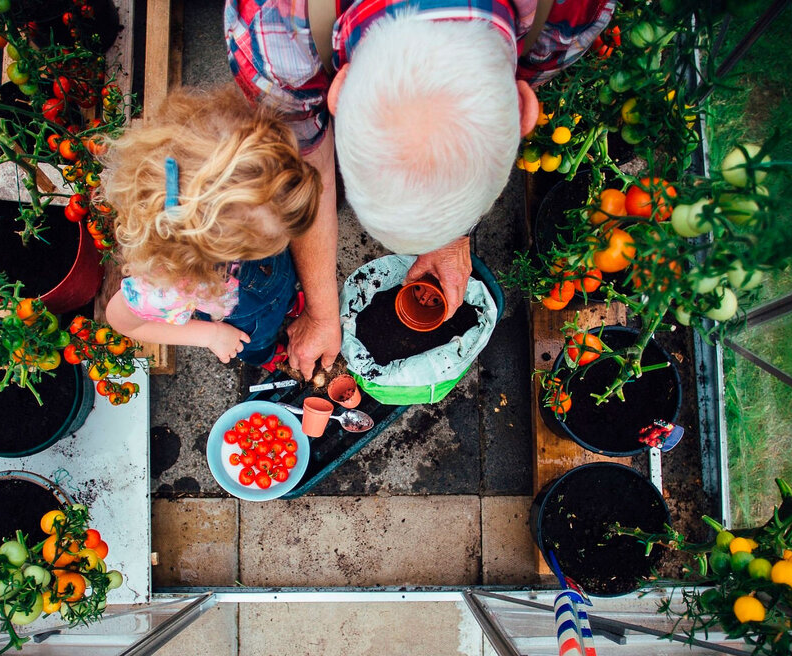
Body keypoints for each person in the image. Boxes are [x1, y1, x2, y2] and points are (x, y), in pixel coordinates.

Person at [226, 0, 615, 377]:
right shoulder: (274, 37)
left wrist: (451, 238)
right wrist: (323, 312)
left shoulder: (573, 13)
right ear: (524, 108)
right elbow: (308, 174)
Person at [101, 86, 322, 369]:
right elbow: (122, 322)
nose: (288, 239)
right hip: (245, 322)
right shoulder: (166, 286)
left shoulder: (246, 195)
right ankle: (267, 354)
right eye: (276, 237)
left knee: (283, 286)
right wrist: (211, 334)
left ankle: (287, 303)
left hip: (273, 280)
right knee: (256, 343)